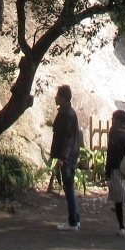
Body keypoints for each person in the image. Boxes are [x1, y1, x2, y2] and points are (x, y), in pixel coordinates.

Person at [49, 85, 82, 231]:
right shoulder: (63, 112)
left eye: (58, 95)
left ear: (63, 98)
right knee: (69, 188)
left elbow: (69, 139)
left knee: (68, 188)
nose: (55, 97)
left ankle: (73, 222)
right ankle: (75, 218)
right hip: (67, 155)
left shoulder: (68, 115)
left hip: (68, 157)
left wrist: (62, 158)